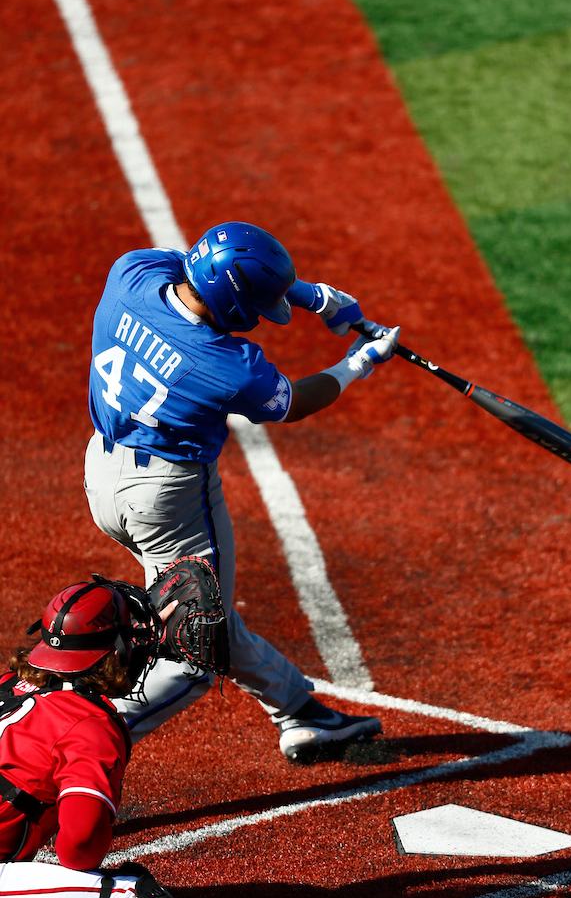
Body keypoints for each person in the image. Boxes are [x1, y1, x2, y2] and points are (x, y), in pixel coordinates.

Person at [83, 221, 399, 760]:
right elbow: (292, 402)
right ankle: (74, 744)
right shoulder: (229, 366)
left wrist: (312, 297)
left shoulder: (129, 274)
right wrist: (359, 363)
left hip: (101, 477)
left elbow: (198, 266)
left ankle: (299, 711)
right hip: (170, 502)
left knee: (210, 610)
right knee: (195, 654)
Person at [0, 577, 330, 898]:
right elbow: (79, 851)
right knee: (128, 896)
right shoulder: (88, 725)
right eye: (130, 637)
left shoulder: (5, 686)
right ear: (112, 653)